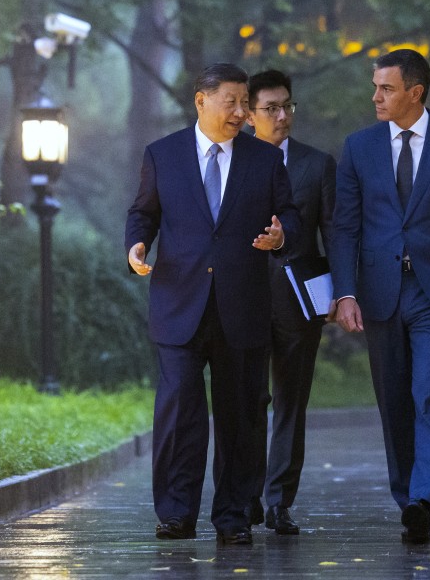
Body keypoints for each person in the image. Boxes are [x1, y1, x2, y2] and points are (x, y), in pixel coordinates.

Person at [125, 63, 300, 546]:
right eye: (232, 102)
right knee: (180, 408)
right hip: (179, 301)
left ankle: (233, 515)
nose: (242, 112)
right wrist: (137, 245)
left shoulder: (264, 160)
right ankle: (176, 513)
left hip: (242, 305)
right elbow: (143, 213)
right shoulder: (163, 155)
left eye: (246, 102)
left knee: (240, 413)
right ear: (201, 101)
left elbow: (290, 215)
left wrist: (282, 234)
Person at [331, 49, 430, 543]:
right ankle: (407, 500)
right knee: (393, 401)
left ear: (415, 93)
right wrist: (345, 293)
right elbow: (345, 227)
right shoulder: (358, 147)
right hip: (380, 293)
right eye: (375, 87)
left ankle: (423, 496)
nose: (375, 96)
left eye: (386, 88)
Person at [246, 69, 336, 535]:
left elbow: (335, 234)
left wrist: (343, 293)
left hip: (299, 304)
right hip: (242, 300)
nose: (282, 116)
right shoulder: (231, 161)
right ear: (249, 114)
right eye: (271, 109)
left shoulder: (317, 165)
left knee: (290, 403)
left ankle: (279, 500)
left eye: (287, 107)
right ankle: (246, 497)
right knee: (246, 400)